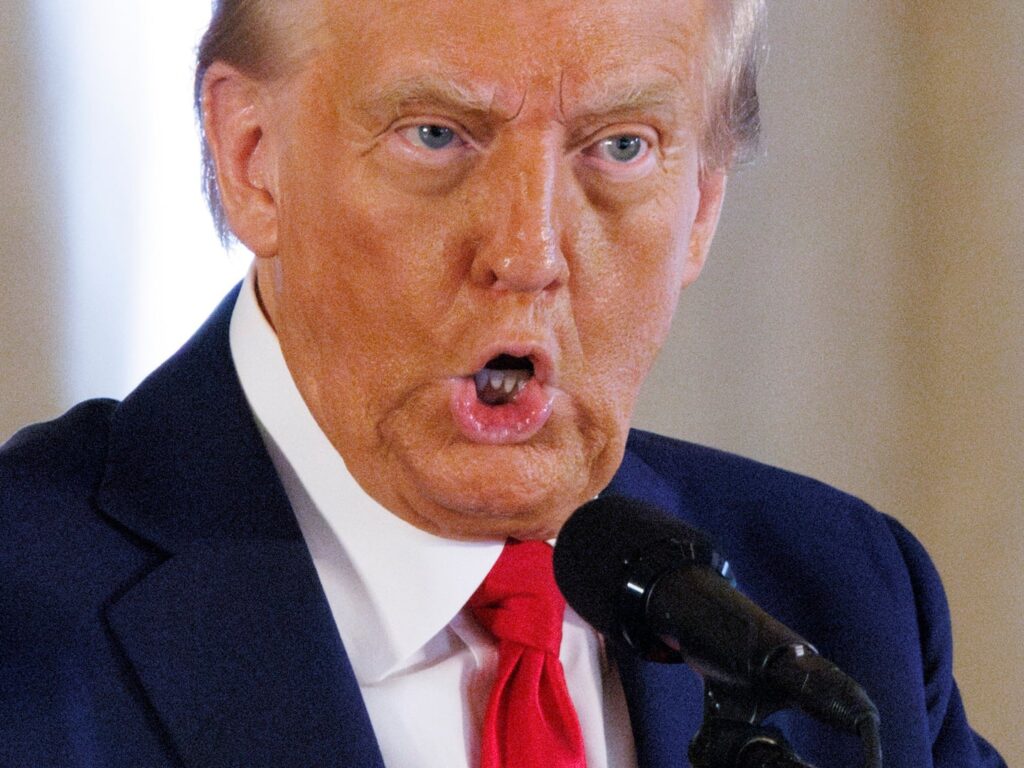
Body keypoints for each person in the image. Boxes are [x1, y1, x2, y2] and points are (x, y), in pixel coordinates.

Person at [0, 1, 1007, 766]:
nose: (527, 253)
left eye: (621, 147)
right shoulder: (22, 616)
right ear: (250, 160)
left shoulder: (841, 603)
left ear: (702, 205)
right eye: (436, 135)